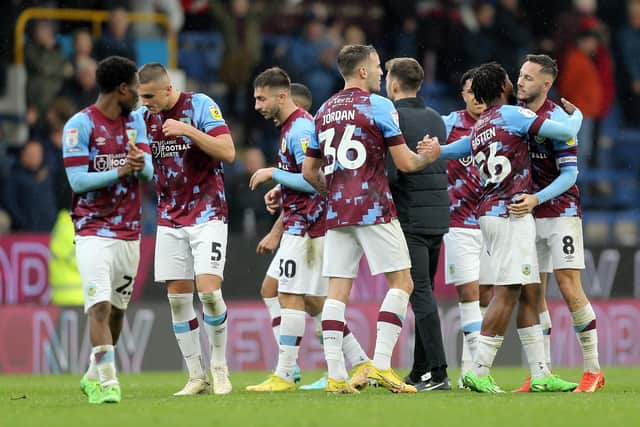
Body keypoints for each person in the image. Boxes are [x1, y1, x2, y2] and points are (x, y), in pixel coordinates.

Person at [424, 62, 581, 393]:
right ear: (500, 87)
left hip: (490, 213)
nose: (514, 81)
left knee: (529, 290)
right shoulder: (512, 115)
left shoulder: (481, 123)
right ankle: (479, 369)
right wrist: (577, 116)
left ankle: (540, 374)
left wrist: (439, 151)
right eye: (510, 78)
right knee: (507, 291)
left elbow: (461, 148)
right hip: (511, 213)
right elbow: (565, 132)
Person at [302, 44, 437, 394]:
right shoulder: (378, 105)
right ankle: (380, 365)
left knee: (336, 294)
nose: (381, 73)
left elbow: (308, 171)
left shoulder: (323, 110)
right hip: (374, 206)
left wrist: (331, 193)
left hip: (337, 212)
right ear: (362, 71)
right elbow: (405, 163)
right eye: (377, 66)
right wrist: (429, 157)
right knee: (402, 283)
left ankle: (335, 376)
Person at [247, 68, 371, 392]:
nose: (257, 105)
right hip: (303, 224)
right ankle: (361, 362)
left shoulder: (301, 127)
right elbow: (301, 178)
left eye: (262, 98)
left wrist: (274, 174)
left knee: (286, 294)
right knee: (312, 302)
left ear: (281, 96)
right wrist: (282, 189)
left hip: (307, 227)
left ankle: (286, 374)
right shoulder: (292, 126)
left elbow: (316, 180)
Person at [138, 62, 235, 396]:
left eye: (150, 96)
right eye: (141, 97)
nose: (145, 102)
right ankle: (197, 376)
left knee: (209, 291)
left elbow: (228, 151)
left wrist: (188, 131)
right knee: (178, 300)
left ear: (168, 88)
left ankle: (220, 368)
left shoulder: (200, 105)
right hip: (170, 218)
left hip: (208, 212)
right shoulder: (143, 119)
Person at [62, 55, 153, 404]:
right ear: (123, 89)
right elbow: (78, 180)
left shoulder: (135, 123)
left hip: (130, 230)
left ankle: (91, 375)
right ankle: (109, 382)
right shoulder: (79, 126)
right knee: (98, 306)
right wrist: (119, 171)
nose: (140, 98)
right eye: (137, 90)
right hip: (92, 229)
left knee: (117, 311)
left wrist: (139, 164)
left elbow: (149, 176)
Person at [511, 54, 604, 392]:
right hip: (527, 215)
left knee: (567, 286)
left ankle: (593, 369)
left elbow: (570, 175)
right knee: (532, 294)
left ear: (546, 84)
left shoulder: (559, 121)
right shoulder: (515, 116)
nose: (521, 82)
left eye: (529, 78)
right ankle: (541, 373)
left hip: (561, 212)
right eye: (520, 75)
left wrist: (538, 197)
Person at [383, 57, 450, 391]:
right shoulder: (436, 118)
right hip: (439, 215)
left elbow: (392, 172)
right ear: (419, 84)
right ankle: (421, 369)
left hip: (409, 215)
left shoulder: (392, 119)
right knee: (426, 291)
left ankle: (439, 373)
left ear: (393, 84)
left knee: (418, 292)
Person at [440, 68, 493, 388]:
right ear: (463, 94)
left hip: (493, 220)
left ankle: (467, 371)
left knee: (486, 294)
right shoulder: (449, 124)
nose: (476, 97)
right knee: (469, 292)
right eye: (470, 91)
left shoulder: (502, 123)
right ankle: (477, 373)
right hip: (458, 222)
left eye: (481, 91)